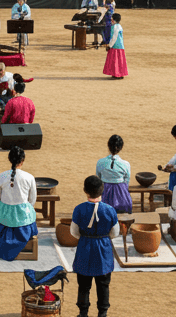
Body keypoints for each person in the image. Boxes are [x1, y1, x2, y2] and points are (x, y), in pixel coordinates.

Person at [70, 176, 118, 317]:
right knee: (103, 285)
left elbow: (74, 232)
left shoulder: (79, 209)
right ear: (102, 190)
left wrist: (86, 238)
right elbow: (115, 233)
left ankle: (83, 313)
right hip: (103, 249)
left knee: (84, 285)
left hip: (85, 247)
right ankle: (102, 313)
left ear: (85, 190)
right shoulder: (110, 210)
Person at [0, 146, 38, 261]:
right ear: (22, 161)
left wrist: (6, 204)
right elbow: (32, 199)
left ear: (9, 159)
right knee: (30, 214)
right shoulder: (29, 177)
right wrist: (25, 208)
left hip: (4, 213)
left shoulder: (1, 176)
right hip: (23, 214)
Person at [95, 135, 132, 214]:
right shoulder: (126, 164)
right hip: (121, 195)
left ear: (108, 146)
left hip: (105, 193)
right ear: (121, 148)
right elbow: (126, 181)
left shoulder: (100, 162)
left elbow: (98, 179)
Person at [102, 13, 127, 79]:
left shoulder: (115, 27)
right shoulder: (119, 26)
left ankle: (116, 74)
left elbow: (114, 37)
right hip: (120, 46)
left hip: (115, 46)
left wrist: (110, 45)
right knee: (120, 60)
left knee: (115, 60)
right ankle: (120, 73)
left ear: (113, 20)